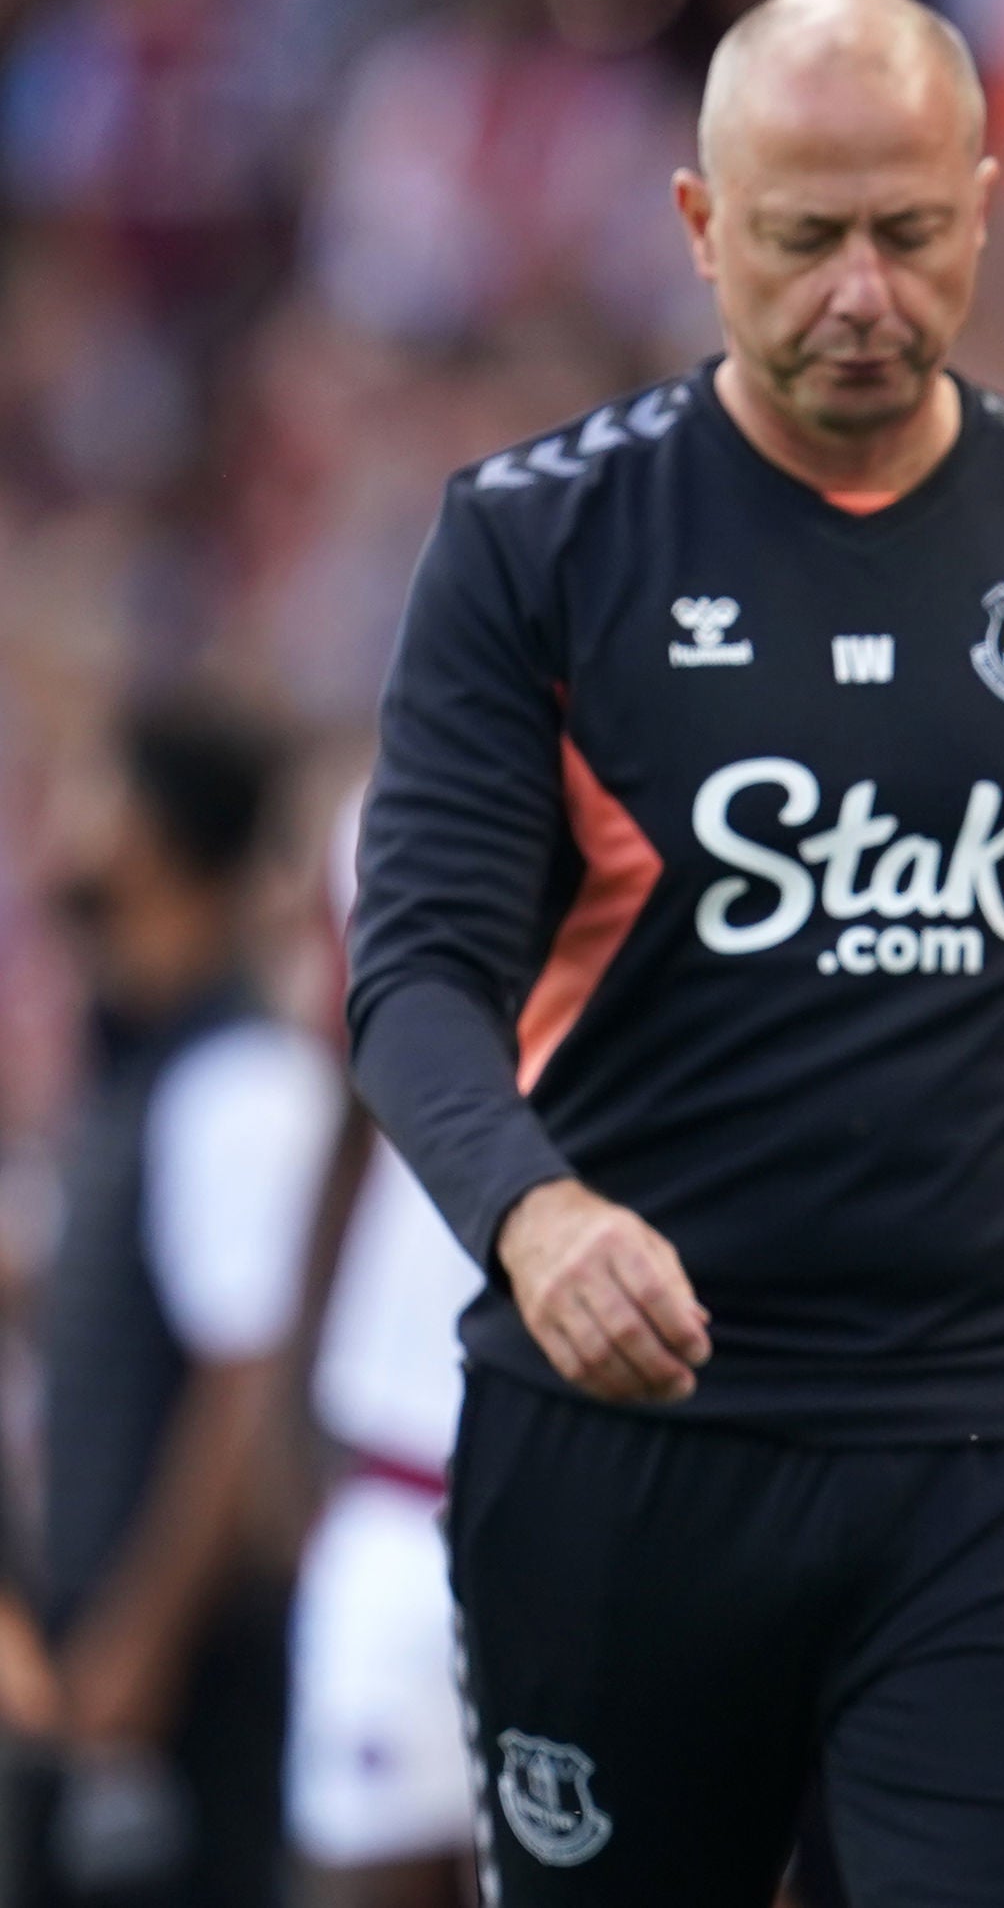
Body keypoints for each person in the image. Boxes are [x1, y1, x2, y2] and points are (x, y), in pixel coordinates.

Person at [343, 0, 1004, 1904]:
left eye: (910, 232)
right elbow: (412, 974)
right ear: (699, 226)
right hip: (627, 1448)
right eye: (801, 238)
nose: (862, 289)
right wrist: (534, 1216)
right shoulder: (539, 542)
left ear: (984, 206)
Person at [41, 698, 339, 1908]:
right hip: (127, 1645)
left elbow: (245, 1382)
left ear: (154, 834)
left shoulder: (235, 1081)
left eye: (93, 789)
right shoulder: (156, 1061)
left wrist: (139, 1643)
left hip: (192, 1668)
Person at [287, 790, 479, 1908]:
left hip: (641, 1479)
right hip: (402, 1465)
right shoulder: (390, 804)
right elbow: (351, 1105)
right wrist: (300, 1395)